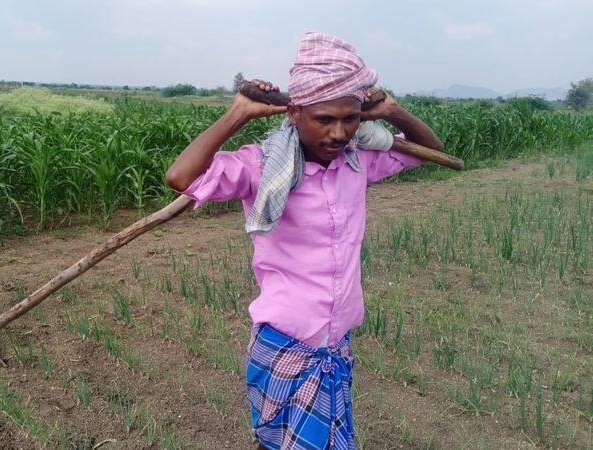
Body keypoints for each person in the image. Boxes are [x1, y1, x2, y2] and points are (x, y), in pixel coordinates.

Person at [165, 33, 444, 449]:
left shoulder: (358, 162)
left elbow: (428, 151)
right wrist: (238, 113)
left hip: (335, 343)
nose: (338, 133)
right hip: (285, 341)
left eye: (350, 119)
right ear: (295, 112)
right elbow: (181, 178)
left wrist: (393, 111)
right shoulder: (261, 167)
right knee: (275, 442)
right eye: (324, 119)